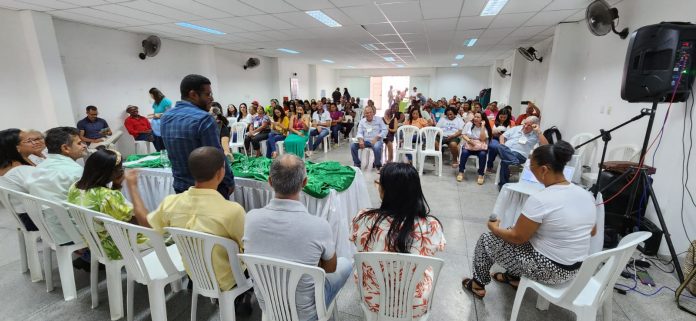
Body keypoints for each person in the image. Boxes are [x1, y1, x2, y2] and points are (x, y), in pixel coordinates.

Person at [462, 141, 596, 299]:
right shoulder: (585, 194)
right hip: (575, 269)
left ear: (544, 169)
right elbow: (592, 231)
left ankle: (477, 285)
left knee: (488, 240)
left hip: (550, 271)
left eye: (532, 168)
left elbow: (517, 238)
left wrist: (494, 228)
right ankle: (514, 277)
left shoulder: (541, 199)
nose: (531, 172)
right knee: (517, 231)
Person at [243, 154, 351, 321]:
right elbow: (330, 268)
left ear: (270, 182)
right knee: (346, 263)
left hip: (268, 305)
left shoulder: (250, 219)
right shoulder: (319, 226)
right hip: (306, 313)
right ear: (305, 183)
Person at [148, 147, 252, 312]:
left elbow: (152, 228)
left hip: (193, 273)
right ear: (221, 172)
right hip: (227, 279)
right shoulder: (232, 211)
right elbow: (248, 250)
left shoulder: (170, 202)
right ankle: (241, 297)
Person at [351, 162, 445, 317]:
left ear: (385, 191)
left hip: (374, 299)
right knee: (427, 267)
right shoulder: (431, 226)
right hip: (414, 304)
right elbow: (434, 250)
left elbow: (357, 244)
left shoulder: (363, 219)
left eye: (379, 183)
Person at [160, 74, 235, 198]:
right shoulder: (204, 119)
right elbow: (217, 156)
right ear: (193, 94)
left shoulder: (166, 117)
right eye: (208, 94)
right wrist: (229, 182)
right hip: (208, 190)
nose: (211, 98)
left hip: (180, 187)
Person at [67, 149, 149, 260]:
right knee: (169, 235)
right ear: (111, 172)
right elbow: (141, 222)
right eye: (120, 169)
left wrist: (115, 186)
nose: (122, 172)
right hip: (117, 246)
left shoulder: (74, 187)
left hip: (94, 244)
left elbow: (112, 208)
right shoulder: (108, 196)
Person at [26, 127, 86, 245]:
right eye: (79, 143)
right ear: (65, 148)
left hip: (51, 230)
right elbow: (88, 205)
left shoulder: (39, 168)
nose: (83, 146)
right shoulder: (75, 171)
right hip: (73, 233)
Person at [0, 129, 38, 231]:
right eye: (29, 141)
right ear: (17, 148)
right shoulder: (21, 171)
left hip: (23, 217)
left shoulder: (7, 167)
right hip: (35, 219)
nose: (35, 143)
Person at [496, 116, 548, 189]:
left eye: (529, 125)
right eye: (525, 123)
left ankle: (502, 185)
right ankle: (513, 160)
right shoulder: (516, 128)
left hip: (520, 155)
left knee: (505, 161)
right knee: (499, 146)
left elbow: (546, 145)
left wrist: (539, 131)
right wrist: (502, 144)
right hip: (506, 150)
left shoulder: (536, 134)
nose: (525, 126)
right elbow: (502, 136)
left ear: (534, 125)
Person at [457, 111, 492, 185]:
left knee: (483, 154)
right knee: (464, 152)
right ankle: (461, 172)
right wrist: (469, 141)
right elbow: (463, 134)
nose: (475, 118)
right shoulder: (469, 124)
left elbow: (482, 139)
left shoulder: (485, 127)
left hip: (480, 147)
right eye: (475, 116)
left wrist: (482, 126)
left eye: (478, 117)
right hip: (470, 144)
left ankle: (481, 174)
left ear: (482, 119)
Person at [351, 106, 388, 171]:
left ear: (373, 113)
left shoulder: (379, 120)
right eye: (367, 113)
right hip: (365, 141)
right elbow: (359, 132)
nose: (369, 114)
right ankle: (357, 163)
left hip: (376, 141)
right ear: (364, 114)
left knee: (376, 147)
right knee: (353, 146)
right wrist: (360, 140)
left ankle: (377, 164)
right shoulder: (362, 121)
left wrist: (377, 137)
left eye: (370, 112)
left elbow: (385, 130)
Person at [486, 108, 516, 174]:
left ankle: (506, 167)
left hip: (507, 140)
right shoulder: (492, 121)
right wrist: (493, 132)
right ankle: (489, 165)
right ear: (498, 115)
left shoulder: (512, 123)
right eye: (501, 117)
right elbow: (487, 132)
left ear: (508, 117)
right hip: (494, 138)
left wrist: (505, 134)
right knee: (494, 147)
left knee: (508, 148)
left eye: (504, 117)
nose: (502, 119)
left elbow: (514, 133)